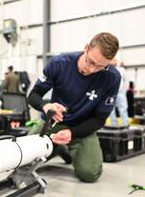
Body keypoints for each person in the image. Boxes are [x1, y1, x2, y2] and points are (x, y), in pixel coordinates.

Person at [27, 32, 121, 183]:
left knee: (90, 173)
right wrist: (45, 106)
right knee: (22, 162)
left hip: (82, 128)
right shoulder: (59, 63)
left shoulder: (112, 78)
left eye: (100, 67)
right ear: (86, 48)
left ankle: (61, 147)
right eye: (91, 62)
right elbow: (33, 95)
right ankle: (56, 147)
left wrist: (73, 133)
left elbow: (100, 118)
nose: (92, 70)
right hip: (53, 123)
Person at [109, 59, 129, 127]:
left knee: (123, 108)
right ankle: (113, 124)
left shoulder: (121, 70)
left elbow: (126, 80)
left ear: (116, 62)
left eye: (114, 61)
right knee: (110, 109)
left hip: (120, 92)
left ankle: (125, 123)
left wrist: (124, 91)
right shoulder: (107, 69)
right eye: (111, 61)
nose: (112, 62)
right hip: (110, 93)